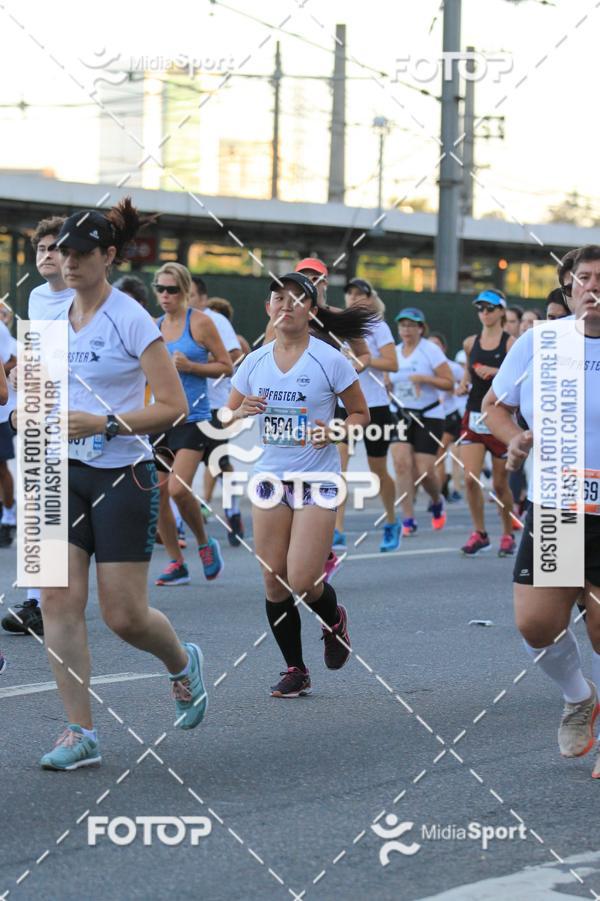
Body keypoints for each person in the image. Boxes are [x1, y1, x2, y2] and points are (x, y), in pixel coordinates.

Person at [12, 199, 208, 770]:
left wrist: (107, 423)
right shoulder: (45, 315)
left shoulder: (130, 318)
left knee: (124, 616)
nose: (68, 263)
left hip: (121, 471)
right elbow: (33, 397)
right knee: (55, 601)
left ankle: (181, 662)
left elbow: (172, 407)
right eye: (62, 253)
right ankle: (80, 733)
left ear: (108, 256)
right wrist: (27, 413)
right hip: (53, 470)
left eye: (80, 254)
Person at [482, 244, 600, 778]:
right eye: (584, 278)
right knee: (536, 624)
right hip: (557, 507)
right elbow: (495, 407)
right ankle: (579, 696)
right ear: (569, 287)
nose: (593, 286)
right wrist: (515, 440)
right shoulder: (540, 342)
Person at [226, 272, 370, 698]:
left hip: (318, 480)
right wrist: (238, 413)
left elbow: (362, 414)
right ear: (269, 310)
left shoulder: (330, 359)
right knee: (273, 579)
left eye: (296, 298)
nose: (286, 304)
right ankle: (295, 668)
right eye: (278, 298)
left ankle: (334, 618)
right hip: (270, 479)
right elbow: (226, 414)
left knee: (304, 579)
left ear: (311, 310)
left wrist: (338, 430)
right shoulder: (253, 362)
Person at [1, 216, 73, 638]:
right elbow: (38, 356)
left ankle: (58, 598)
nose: (47, 255)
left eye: (56, 248)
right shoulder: (37, 298)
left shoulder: (94, 300)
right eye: (42, 249)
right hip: (44, 419)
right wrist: (20, 383)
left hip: (89, 424)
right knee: (37, 508)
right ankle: (36, 601)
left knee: (64, 517)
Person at [151, 263, 231, 585]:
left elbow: (227, 366)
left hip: (194, 416)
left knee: (178, 489)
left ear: (185, 290)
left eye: (172, 289)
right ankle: (176, 562)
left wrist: (191, 367)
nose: (165, 295)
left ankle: (204, 543)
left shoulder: (200, 322)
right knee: (157, 495)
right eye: (160, 289)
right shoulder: (153, 326)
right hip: (160, 417)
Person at [335, 278, 400, 552]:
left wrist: (365, 358)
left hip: (375, 407)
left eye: (359, 293)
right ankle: (337, 529)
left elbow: (393, 364)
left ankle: (392, 521)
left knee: (378, 471)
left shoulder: (378, 326)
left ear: (370, 298)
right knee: (338, 468)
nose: (353, 297)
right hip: (345, 405)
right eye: (350, 293)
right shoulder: (337, 325)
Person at [457, 289, 516, 556]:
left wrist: (496, 372)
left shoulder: (510, 343)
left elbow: (519, 379)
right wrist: (462, 384)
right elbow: (467, 375)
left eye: (490, 308)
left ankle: (507, 533)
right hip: (474, 414)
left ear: (501, 311)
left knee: (500, 485)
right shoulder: (471, 342)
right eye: (480, 308)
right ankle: (480, 533)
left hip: (500, 416)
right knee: (469, 478)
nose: (485, 313)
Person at [190, 276, 246, 545]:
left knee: (219, 463)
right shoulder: (170, 321)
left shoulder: (216, 320)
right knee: (175, 466)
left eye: (187, 293)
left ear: (202, 298)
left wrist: (197, 363)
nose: (178, 297)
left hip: (213, 405)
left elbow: (235, 356)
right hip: (182, 407)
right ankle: (177, 524)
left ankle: (232, 512)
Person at [387, 310, 453, 535]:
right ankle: (407, 518)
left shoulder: (430, 350)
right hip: (400, 414)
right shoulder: (393, 353)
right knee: (401, 464)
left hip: (429, 414)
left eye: (411, 325)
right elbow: (388, 383)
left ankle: (437, 500)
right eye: (402, 325)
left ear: (420, 328)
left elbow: (448, 383)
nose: (406, 330)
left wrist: (424, 379)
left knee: (424, 470)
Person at [429, 332, 465, 502]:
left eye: (437, 344)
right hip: (428, 416)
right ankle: (441, 490)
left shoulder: (453, 368)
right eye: (430, 345)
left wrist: (454, 389)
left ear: (443, 348)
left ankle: (443, 492)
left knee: (440, 453)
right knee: (435, 457)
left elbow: (465, 386)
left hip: (449, 416)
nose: (433, 348)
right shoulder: (423, 366)